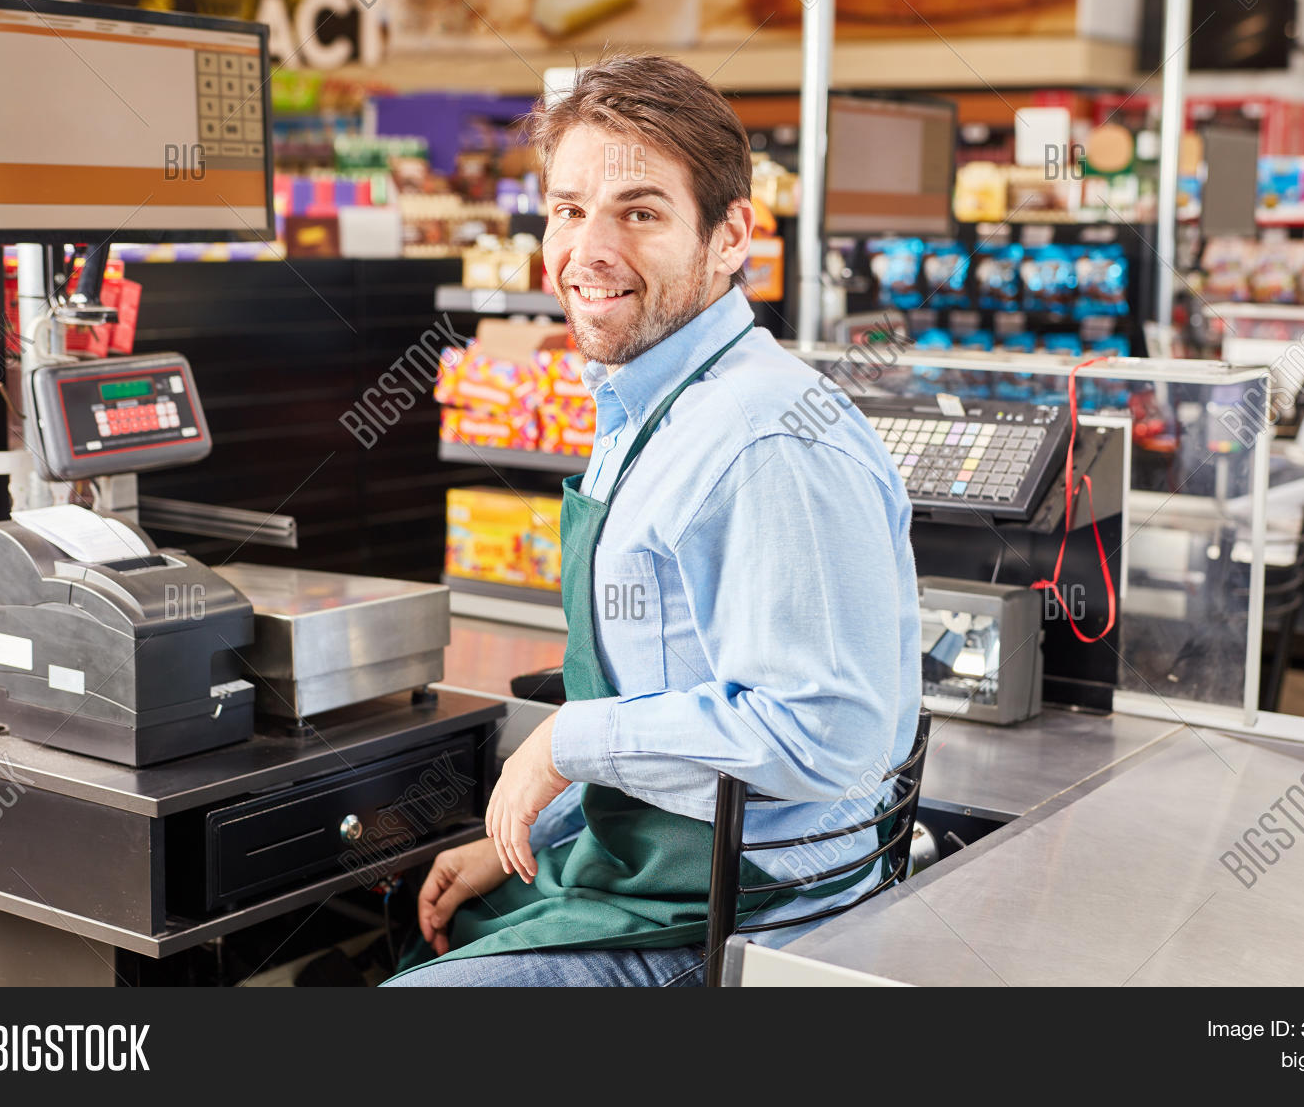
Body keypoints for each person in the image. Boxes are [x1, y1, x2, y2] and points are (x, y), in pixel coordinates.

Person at [384, 54, 919, 988]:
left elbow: (829, 732)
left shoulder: (765, 439)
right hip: (652, 865)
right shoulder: (646, 399)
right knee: (411, 912)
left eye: (639, 213)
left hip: (739, 913)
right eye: (568, 209)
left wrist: (563, 745)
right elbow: (671, 697)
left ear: (729, 237)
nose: (587, 250)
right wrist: (536, 833)